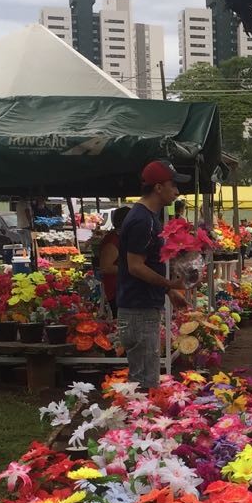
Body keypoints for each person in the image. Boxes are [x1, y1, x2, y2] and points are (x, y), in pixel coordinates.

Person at [117, 161, 190, 390]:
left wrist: (168, 291)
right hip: (138, 308)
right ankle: (137, 424)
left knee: (145, 379)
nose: (177, 191)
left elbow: (146, 263)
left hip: (142, 305)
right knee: (144, 383)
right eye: (173, 185)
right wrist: (168, 283)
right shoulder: (142, 220)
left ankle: (140, 422)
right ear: (158, 188)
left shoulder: (149, 217)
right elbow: (135, 266)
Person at [95, 205, 131, 316]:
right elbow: (105, 267)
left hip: (125, 289)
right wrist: (132, 268)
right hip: (118, 291)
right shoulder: (113, 240)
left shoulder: (122, 238)